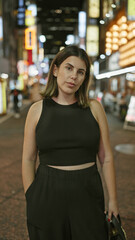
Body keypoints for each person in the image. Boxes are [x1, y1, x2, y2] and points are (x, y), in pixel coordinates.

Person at [22, 45, 119, 240]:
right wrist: (31, 196)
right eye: (69, 68)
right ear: (55, 70)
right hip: (47, 191)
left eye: (80, 72)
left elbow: (106, 158)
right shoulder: (37, 109)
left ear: (85, 78)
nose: (74, 76)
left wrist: (113, 200)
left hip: (87, 190)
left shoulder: (94, 108)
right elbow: (28, 158)